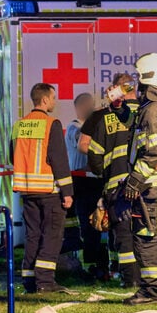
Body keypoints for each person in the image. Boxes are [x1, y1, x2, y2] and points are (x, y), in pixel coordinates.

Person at [115, 53, 157, 304]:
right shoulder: (150, 108)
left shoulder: (154, 111)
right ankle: (149, 289)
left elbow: (155, 153)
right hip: (148, 183)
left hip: (149, 185)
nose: (137, 83)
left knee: (147, 237)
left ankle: (151, 292)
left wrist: (135, 180)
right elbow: (133, 127)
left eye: (140, 78)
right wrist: (118, 106)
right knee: (143, 235)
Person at [12, 83, 74, 293]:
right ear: (45, 99)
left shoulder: (19, 125)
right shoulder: (51, 124)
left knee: (33, 235)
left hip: (27, 191)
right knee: (52, 236)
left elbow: (10, 156)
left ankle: (29, 280)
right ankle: (46, 282)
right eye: (53, 98)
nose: (55, 102)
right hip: (49, 191)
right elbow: (59, 159)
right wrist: (68, 192)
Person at [86, 73, 141, 285]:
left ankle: (130, 279)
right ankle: (150, 278)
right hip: (146, 183)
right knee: (146, 232)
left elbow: (95, 156)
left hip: (116, 186)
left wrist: (103, 173)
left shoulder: (106, 118)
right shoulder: (146, 111)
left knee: (124, 234)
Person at [63, 93, 108, 278]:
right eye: (88, 106)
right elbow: (85, 146)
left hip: (96, 180)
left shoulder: (92, 127)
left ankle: (102, 263)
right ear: (79, 107)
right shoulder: (75, 127)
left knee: (100, 223)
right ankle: (87, 264)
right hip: (82, 182)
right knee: (87, 224)